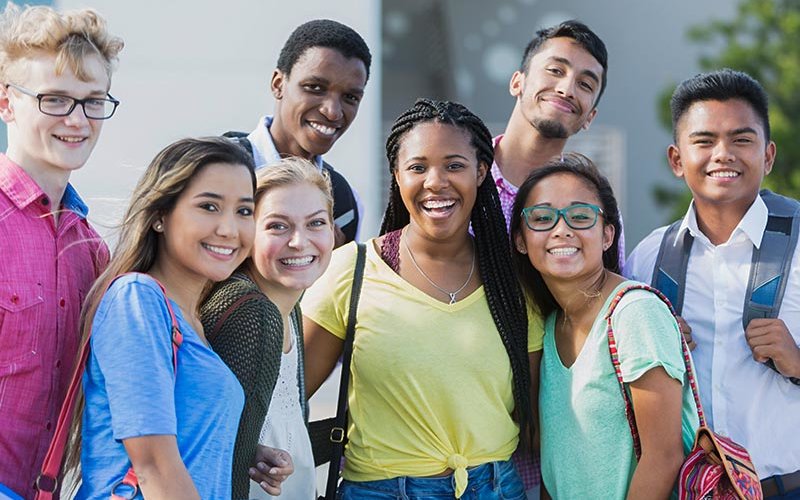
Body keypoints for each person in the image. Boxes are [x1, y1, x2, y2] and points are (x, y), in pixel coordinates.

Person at [302, 98, 539, 499]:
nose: (435, 182)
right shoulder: (352, 272)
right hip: (382, 490)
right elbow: (286, 397)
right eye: (417, 167)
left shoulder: (513, 284)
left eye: (454, 165)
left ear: (481, 172)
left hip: (495, 488)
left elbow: (536, 420)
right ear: (396, 174)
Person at [62, 138, 290, 498]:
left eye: (244, 211)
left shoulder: (192, 321)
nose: (229, 229)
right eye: (209, 206)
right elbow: (153, 467)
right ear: (159, 217)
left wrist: (242, 451)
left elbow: (177, 437)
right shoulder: (138, 299)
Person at [625, 69, 800, 498]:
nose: (723, 154)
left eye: (742, 140)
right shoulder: (648, 260)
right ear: (677, 159)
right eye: (704, 141)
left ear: (769, 155)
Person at [510, 153, 699, 499]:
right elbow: (559, 467)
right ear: (521, 240)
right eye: (542, 218)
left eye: (581, 216)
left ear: (608, 235)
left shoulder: (635, 313)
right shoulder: (549, 327)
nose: (562, 229)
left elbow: (664, 456)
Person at [0, 4, 122, 497]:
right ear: (6, 102)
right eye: (55, 99)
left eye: (93, 101)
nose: (77, 120)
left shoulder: (89, 248)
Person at [492, 20, 617, 496]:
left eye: (586, 84)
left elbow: (607, 318)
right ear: (518, 81)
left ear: (590, 116)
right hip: (448, 451)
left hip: (554, 459)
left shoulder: (593, 210)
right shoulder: (459, 184)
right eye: (556, 70)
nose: (568, 87)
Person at [201, 157, 335, 499]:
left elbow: (265, 433)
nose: (299, 241)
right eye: (278, 226)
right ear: (247, 234)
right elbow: (219, 460)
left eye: (316, 223)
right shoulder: (251, 313)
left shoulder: (289, 306)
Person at [231, 19, 371, 247]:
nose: (333, 112)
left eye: (350, 98)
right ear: (278, 84)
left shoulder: (345, 205)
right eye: (315, 88)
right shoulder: (214, 171)